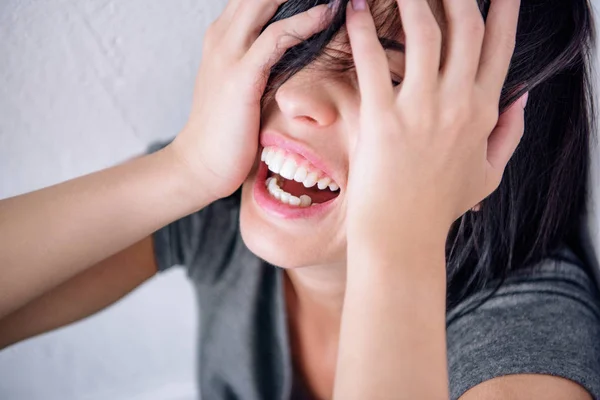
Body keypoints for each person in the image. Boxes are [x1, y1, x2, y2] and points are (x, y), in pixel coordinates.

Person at [1, 0, 599, 398]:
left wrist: (399, 241)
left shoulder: (527, 339)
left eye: (387, 80)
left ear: (495, 144)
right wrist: (185, 168)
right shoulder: (218, 207)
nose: (296, 96)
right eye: (300, 46)